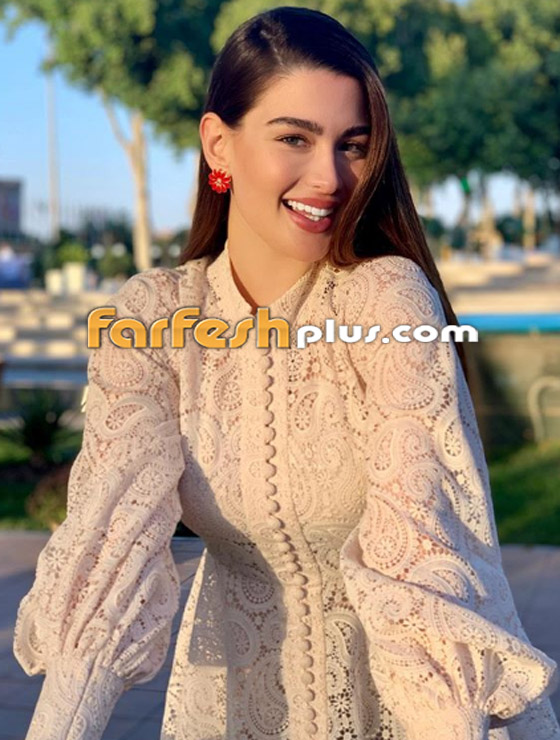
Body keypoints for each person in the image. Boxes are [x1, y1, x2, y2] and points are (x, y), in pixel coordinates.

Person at [13, 7, 560, 740]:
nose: (330, 177)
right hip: (223, 705)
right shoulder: (153, 317)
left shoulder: (385, 299)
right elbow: (112, 543)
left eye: (352, 145)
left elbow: (427, 563)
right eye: (295, 138)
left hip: (400, 710)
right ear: (219, 143)